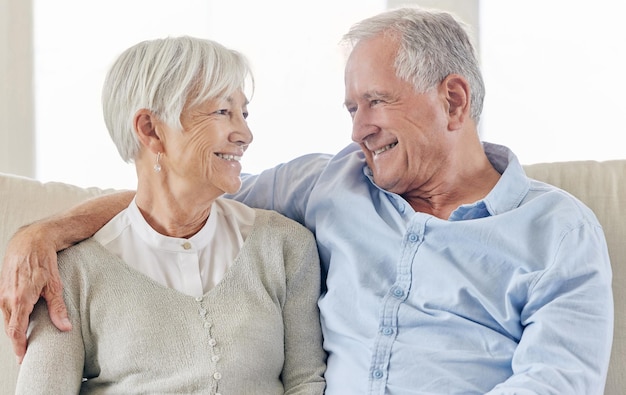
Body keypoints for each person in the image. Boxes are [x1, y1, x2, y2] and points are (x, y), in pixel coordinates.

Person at [1, 6, 613, 394]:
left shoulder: (556, 230)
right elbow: (181, 195)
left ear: (453, 100)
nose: (357, 131)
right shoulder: (330, 184)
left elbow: (555, 382)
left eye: (376, 102)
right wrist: (47, 232)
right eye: (352, 109)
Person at [7, 36, 326, 394]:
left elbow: (306, 382)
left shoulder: (285, 247)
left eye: (244, 113)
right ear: (150, 129)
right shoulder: (69, 271)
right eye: (223, 111)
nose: (245, 134)